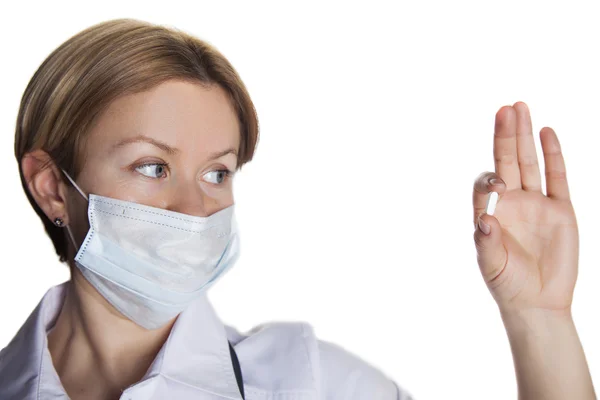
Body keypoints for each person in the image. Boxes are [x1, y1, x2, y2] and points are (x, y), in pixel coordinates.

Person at [0, 18, 594, 400]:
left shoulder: (309, 384)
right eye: (153, 167)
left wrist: (538, 320)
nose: (193, 207)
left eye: (217, 173)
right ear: (53, 186)